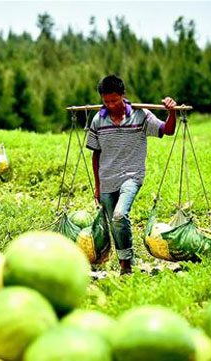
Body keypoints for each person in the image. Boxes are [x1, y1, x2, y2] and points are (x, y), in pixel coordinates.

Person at [86, 75, 177, 275]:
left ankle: (126, 266)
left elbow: (167, 130)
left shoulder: (141, 115)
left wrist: (172, 112)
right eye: (106, 101)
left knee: (119, 216)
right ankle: (125, 264)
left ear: (123, 96)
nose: (110, 105)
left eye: (114, 100)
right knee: (114, 225)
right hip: (107, 178)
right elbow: (96, 153)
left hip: (131, 175)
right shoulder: (98, 120)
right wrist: (98, 185)